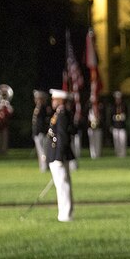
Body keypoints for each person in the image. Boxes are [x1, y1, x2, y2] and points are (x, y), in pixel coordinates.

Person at [47, 89, 76, 222]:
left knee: (62, 185)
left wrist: (58, 157)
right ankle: (64, 213)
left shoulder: (62, 114)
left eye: (54, 99)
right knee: (61, 185)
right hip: (56, 154)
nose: (52, 101)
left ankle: (65, 215)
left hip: (59, 155)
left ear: (59, 100)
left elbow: (62, 137)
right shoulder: (59, 113)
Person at [32, 90, 51, 171]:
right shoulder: (38, 108)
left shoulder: (44, 108)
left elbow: (45, 122)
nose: (36, 100)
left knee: (43, 151)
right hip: (37, 133)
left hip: (42, 132)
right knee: (40, 151)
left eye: (38, 98)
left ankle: (45, 166)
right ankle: (43, 166)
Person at [111, 91, 128, 157]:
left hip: (122, 126)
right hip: (115, 126)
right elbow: (111, 116)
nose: (118, 99)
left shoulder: (124, 106)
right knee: (116, 142)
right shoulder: (113, 106)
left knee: (123, 141)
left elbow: (127, 115)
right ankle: (117, 154)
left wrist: (123, 116)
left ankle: (123, 154)